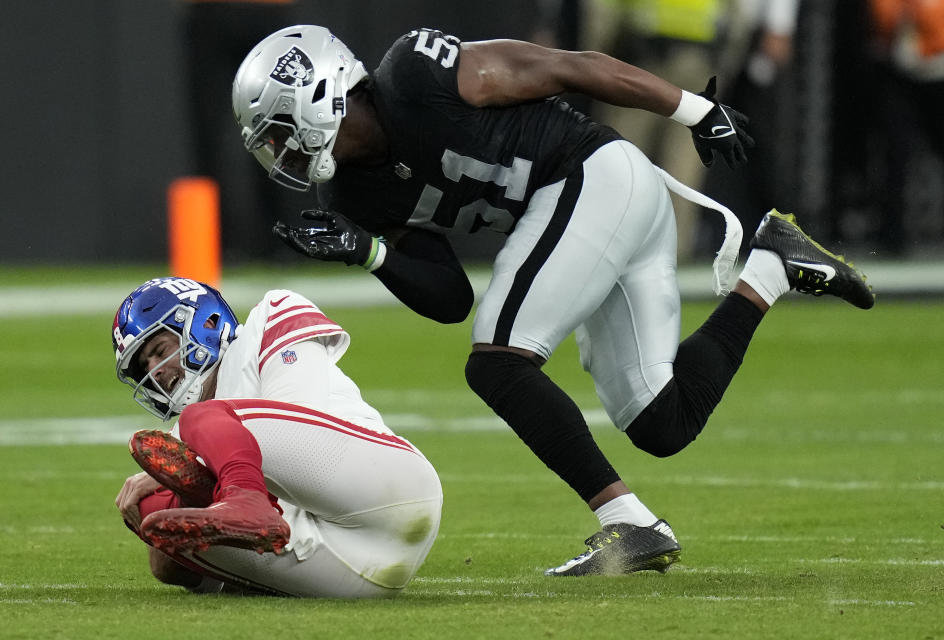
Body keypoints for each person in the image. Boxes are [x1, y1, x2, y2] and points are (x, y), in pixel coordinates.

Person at [230, 25, 874, 576]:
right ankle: (770, 267)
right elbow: (450, 297)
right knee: (660, 421)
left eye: (280, 132)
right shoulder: (351, 196)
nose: (280, 153)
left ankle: (629, 524)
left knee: (498, 363)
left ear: (321, 93)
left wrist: (691, 110)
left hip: (595, 176)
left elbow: (570, 68)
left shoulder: (416, 75)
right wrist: (369, 254)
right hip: (589, 214)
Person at [112, 276, 443, 597]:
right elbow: (172, 569)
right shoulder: (195, 433)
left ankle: (245, 498)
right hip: (351, 567)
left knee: (199, 421)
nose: (155, 370)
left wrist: (198, 463)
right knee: (148, 504)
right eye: (146, 365)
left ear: (205, 323)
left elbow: (306, 435)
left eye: (159, 349)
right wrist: (159, 520)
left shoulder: (270, 317)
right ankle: (240, 500)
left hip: (388, 491)